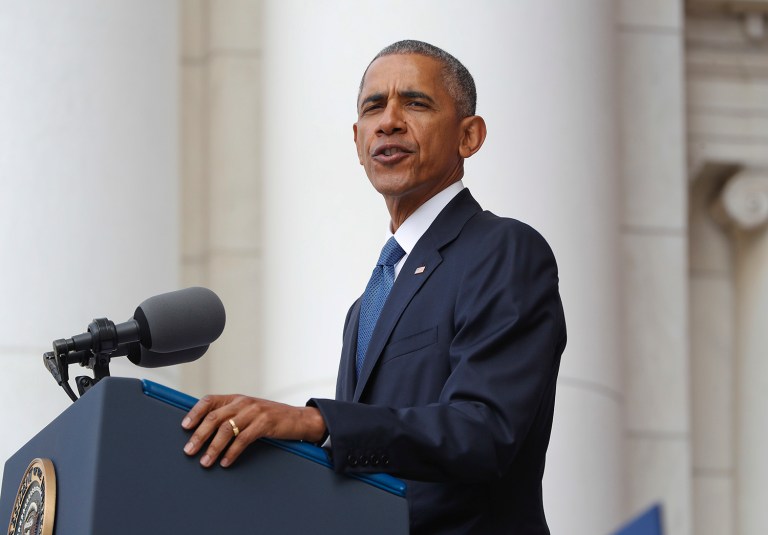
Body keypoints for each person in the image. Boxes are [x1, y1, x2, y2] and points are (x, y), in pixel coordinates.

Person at [181, 40, 566, 534]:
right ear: (358, 141)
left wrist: (317, 422)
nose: (389, 121)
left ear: (469, 136)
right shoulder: (365, 308)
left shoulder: (503, 249)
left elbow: (484, 430)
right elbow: (362, 470)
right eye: (373, 107)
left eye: (415, 102)